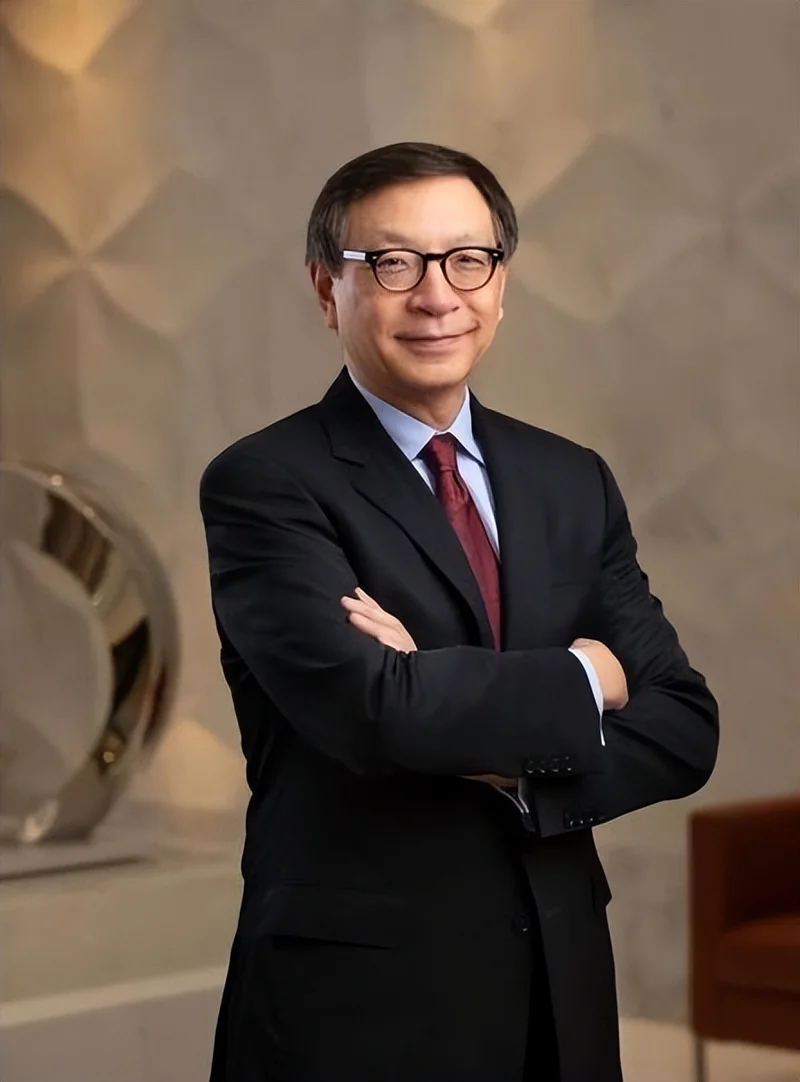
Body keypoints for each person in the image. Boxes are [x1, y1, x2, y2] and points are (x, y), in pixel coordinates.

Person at [199, 142, 719, 1082]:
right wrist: (589, 677)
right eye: (394, 263)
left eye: (467, 260)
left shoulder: (571, 480)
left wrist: (495, 749)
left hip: (559, 989)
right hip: (359, 1008)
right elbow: (376, 711)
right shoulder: (266, 483)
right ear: (326, 289)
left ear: (500, 283)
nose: (438, 296)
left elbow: (684, 724)